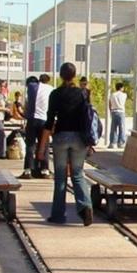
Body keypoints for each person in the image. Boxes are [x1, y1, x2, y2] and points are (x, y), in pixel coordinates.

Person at [37, 62, 94, 226]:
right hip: (79, 138)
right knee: (77, 174)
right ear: (74, 76)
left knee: (60, 177)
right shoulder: (82, 93)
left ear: (61, 75)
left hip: (61, 137)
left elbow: (49, 123)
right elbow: (87, 119)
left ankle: (58, 215)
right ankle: (85, 206)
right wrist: (89, 142)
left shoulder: (55, 94)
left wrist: (42, 148)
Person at [108, 82, 127, 148]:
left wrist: (110, 111)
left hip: (113, 111)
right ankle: (121, 143)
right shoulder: (124, 95)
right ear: (121, 88)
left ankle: (112, 143)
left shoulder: (112, 94)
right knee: (122, 128)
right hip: (121, 112)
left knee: (113, 128)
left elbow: (109, 103)